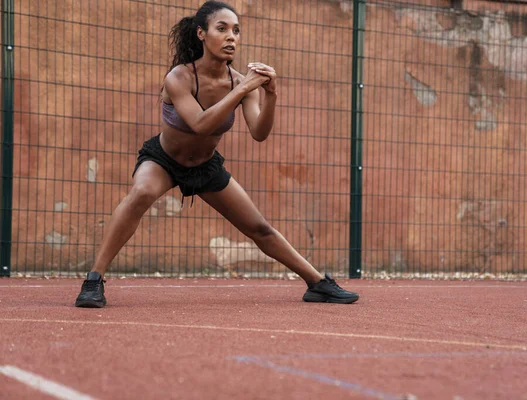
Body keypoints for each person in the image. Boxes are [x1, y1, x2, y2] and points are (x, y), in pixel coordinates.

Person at [75, 1, 359, 308]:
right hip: (164, 160)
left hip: (205, 166)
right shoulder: (179, 78)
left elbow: (259, 133)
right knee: (142, 192)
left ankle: (317, 283)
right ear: (201, 34)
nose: (231, 37)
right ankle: (93, 280)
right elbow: (199, 124)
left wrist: (270, 94)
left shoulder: (241, 83)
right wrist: (241, 89)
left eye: (236, 31)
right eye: (222, 29)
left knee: (259, 227)